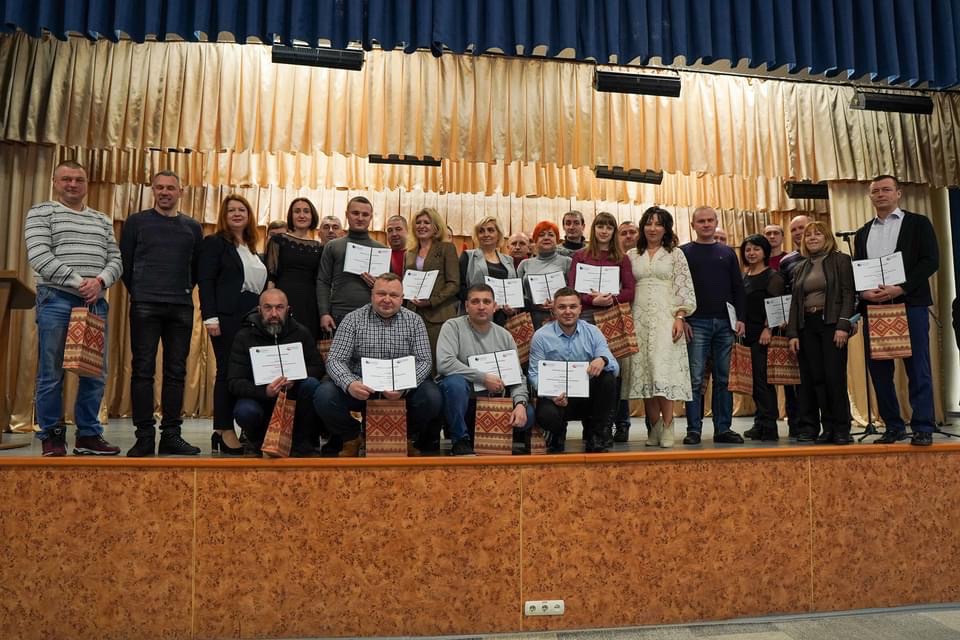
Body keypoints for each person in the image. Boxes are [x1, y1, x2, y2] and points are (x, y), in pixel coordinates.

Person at [24, 160, 123, 457]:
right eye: (66, 179)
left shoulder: (102, 220)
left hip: (94, 303)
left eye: (78, 179)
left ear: (86, 184)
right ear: (55, 182)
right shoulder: (42, 212)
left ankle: (88, 436)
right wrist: (82, 282)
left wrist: (101, 281)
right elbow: (39, 256)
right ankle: (52, 435)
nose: (72, 184)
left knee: (95, 373)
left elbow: (116, 259)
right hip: (56, 299)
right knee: (51, 372)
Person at [120, 170, 204, 457]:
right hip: (145, 304)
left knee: (176, 372)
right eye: (160, 187)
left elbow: (195, 268)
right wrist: (141, 290)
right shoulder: (136, 222)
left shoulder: (192, 227)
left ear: (181, 192)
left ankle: (171, 435)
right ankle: (144, 436)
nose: (165, 192)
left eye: (170, 188)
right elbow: (126, 263)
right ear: (153, 190)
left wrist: (181, 289)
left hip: (181, 306)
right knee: (142, 370)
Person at [313, 273, 442, 457]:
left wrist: (404, 386)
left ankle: (404, 436)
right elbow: (335, 359)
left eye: (393, 295)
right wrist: (350, 384)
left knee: (432, 396)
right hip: (362, 386)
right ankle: (352, 436)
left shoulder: (414, 321)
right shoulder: (352, 319)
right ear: (372, 295)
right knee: (324, 395)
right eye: (381, 294)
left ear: (402, 298)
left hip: (401, 387)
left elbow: (424, 361)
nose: (387, 299)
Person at [854, 175, 940, 446]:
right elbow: (859, 269)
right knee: (880, 371)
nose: (881, 194)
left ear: (898, 193)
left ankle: (923, 426)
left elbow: (930, 261)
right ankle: (893, 426)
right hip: (875, 308)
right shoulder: (863, 232)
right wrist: (863, 293)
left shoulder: (918, 223)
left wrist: (901, 288)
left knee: (917, 367)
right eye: (875, 191)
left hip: (909, 304)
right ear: (870, 196)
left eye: (886, 189)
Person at [199, 194, 267, 454]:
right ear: (223, 216)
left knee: (244, 372)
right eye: (231, 211)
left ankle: (229, 432)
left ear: (249, 216)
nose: (237, 214)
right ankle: (224, 429)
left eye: (242, 210)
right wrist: (210, 317)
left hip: (252, 317)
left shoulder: (251, 247)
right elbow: (206, 281)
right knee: (226, 371)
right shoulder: (215, 243)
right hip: (226, 316)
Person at [622, 207, 696, 448]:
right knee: (645, 373)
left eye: (658, 224)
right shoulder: (632, 254)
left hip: (666, 319)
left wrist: (680, 316)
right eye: (649, 223)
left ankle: (668, 425)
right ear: (642, 227)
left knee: (663, 372)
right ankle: (654, 427)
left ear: (666, 228)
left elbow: (684, 286)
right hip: (638, 319)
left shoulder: (675, 254)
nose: (653, 228)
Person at [436, 283, 534, 456]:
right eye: (475, 302)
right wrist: (482, 378)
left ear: (494, 306)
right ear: (467, 306)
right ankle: (460, 440)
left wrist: (520, 404)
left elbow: (517, 377)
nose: (481, 306)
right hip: (463, 402)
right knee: (454, 383)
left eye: (486, 302)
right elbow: (445, 363)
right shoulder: (452, 327)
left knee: (529, 415)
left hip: (493, 403)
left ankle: (493, 437)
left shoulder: (505, 335)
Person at [227, 288, 325, 456]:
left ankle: (302, 442)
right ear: (259, 310)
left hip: (293, 396)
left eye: (279, 307)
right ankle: (256, 441)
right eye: (268, 307)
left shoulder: (301, 333)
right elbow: (234, 382)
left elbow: (317, 367)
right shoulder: (244, 336)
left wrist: (296, 378)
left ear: (288, 310)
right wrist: (265, 391)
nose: (274, 313)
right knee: (245, 411)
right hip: (259, 398)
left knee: (311, 385)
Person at [680, 206, 747, 445]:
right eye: (701, 221)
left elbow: (738, 287)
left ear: (716, 222)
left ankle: (723, 429)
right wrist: (682, 318)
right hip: (696, 322)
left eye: (710, 220)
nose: (706, 224)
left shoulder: (727, 253)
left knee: (723, 378)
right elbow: (678, 289)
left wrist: (740, 318)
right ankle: (693, 430)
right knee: (695, 379)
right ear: (693, 225)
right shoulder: (683, 253)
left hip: (725, 324)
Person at [787, 221, 856, 444]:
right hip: (807, 325)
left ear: (827, 238)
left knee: (833, 377)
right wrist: (793, 333)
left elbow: (848, 294)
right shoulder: (800, 267)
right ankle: (825, 428)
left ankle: (841, 428)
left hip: (832, 325)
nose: (812, 238)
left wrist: (843, 325)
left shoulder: (841, 260)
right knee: (815, 378)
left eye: (818, 234)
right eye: (808, 235)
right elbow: (795, 303)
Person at [528, 288, 619, 453]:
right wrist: (551, 395)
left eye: (573, 306)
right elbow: (534, 375)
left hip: (587, 396)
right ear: (553, 310)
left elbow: (615, 367)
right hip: (556, 397)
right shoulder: (541, 336)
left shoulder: (593, 332)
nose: (568, 311)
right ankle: (557, 434)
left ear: (580, 309)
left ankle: (596, 435)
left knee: (608, 378)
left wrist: (603, 360)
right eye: (562, 307)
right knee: (547, 415)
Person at [739, 234, 785, 442]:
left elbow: (778, 305)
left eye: (756, 249)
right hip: (746, 334)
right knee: (753, 382)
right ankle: (759, 423)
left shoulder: (773, 276)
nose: (751, 253)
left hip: (763, 335)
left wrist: (768, 329)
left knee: (763, 381)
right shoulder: (744, 276)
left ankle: (769, 426)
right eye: (748, 249)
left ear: (765, 252)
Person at [317, 196, 386, 331]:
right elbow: (323, 282)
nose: (360, 218)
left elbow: (391, 287)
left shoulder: (382, 250)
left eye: (365, 214)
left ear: (371, 217)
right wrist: (324, 313)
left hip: (374, 315)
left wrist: (379, 285)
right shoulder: (332, 246)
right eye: (355, 213)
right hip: (339, 315)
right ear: (347, 215)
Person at [404, 207, 461, 360]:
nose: (421, 226)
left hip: (438, 314)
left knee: (436, 359)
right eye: (418, 222)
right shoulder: (409, 253)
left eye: (426, 222)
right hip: (413, 313)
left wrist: (430, 301)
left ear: (436, 227)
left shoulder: (447, 248)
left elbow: (454, 283)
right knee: (415, 358)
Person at [263, 198, 323, 341]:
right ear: (291, 216)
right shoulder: (278, 240)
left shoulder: (319, 247)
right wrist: (269, 305)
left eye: (306, 211)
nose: (301, 215)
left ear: (312, 216)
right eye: (297, 211)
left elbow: (319, 279)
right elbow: (271, 276)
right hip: (283, 299)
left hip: (309, 302)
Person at [777, 214, 812, 439]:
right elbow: (783, 294)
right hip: (795, 326)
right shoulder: (787, 261)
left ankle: (833, 425)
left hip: (823, 323)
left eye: (802, 227)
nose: (799, 232)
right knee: (796, 379)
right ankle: (800, 426)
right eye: (794, 229)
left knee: (824, 376)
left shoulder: (832, 256)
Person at [568, 211, 635, 324]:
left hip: (612, 314)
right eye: (600, 227)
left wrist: (610, 299)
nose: (604, 231)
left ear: (614, 232)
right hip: (584, 313)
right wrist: (593, 300)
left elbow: (630, 291)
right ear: (594, 229)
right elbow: (572, 288)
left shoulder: (622, 258)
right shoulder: (580, 256)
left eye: (609, 228)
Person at [459, 216, 518, 325]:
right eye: (481, 231)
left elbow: (515, 290)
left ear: (498, 234)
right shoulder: (468, 256)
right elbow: (460, 288)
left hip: (503, 318)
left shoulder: (508, 260)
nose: (486, 234)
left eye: (490, 230)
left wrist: (513, 308)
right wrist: (483, 302)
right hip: (476, 316)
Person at [517, 221, 573, 328]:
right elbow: (518, 294)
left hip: (562, 317)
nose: (546, 238)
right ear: (535, 240)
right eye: (541, 235)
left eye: (551, 235)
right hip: (531, 319)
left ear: (557, 240)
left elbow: (574, 292)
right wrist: (531, 302)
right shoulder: (524, 264)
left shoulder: (567, 262)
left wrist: (559, 303)